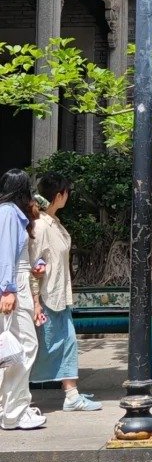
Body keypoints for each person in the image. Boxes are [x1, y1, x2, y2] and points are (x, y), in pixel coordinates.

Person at [28, 175, 101, 411]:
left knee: (65, 342)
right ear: (58, 195)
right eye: (66, 192)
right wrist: (35, 300)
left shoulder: (53, 222)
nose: (68, 196)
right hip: (47, 297)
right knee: (42, 347)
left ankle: (71, 393)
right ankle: (69, 394)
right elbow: (33, 264)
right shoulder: (40, 225)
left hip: (59, 294)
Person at [0, 169, 45, 430]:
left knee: (14, 348)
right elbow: (5, 253)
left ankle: (13, 406)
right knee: (25, 346)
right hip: (13, 284)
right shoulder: (8, 213)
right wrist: (7, 289)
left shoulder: (12, 214)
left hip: (17, 281)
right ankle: (15, 410)